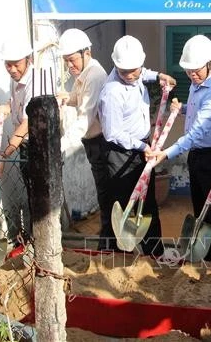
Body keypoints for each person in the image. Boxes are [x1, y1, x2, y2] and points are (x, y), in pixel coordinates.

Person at [148, 34, 211, 263]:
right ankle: (206, 256)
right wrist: (182, 107)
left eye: (196, 70)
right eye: (188, 71)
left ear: (210, 63)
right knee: (201, 209)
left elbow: (198, 131)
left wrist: (166, 153)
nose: (192, 75)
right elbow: (197, 113)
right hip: (197, 155)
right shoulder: (197, 86)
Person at [96, 35, 176, 256]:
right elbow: (113, 133)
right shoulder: (112, 92)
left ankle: (154, 253)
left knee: (147, 202)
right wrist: (143, 148)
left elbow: (143, 74)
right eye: (125, 72)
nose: (131, 76)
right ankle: (122, 255)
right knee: (124, 205)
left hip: (142, 147)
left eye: (135, 70)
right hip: (121, 151)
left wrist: (159, 76)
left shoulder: (136, 74)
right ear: (116, 66)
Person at [56, 28, 109, 216]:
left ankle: (108, 241)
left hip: (101, 143)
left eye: (72, 60)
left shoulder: (94, 76)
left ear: (87, 53)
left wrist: (59, 145)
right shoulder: (85, 74)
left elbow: (85, 118)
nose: (69, 65)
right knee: (104, 194)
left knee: (106, 195)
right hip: (93, 142)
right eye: (66, 61)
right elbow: (79, 99)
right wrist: (66, 99)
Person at [0, 41, 37, 229]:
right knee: (31, 193)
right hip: (25, 146)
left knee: (40, 198)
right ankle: (34, 240)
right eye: (8, 64)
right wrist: (7, 107)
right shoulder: (16, 79)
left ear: (28, 60)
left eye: (16, 64)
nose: (11, 69)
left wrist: (4, 155)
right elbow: (16, 103)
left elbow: (28, 122)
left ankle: (41, 242)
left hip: (38, 147)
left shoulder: (35, 83)